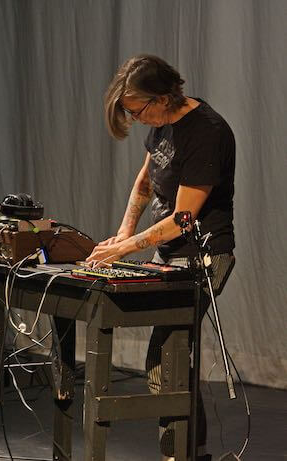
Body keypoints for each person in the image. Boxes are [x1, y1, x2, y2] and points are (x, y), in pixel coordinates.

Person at [86, 55, 236, 460]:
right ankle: (189, 453)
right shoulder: (163, 124)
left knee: (165, 359)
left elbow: (183, 220)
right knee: (170, 361)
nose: (136, 120)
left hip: (204, 257)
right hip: (170, 257)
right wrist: (123, 231)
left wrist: (124, 249)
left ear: (164, 96)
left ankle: (183, 453)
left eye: (138, 111)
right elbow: (146, 180)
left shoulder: (206, 132)